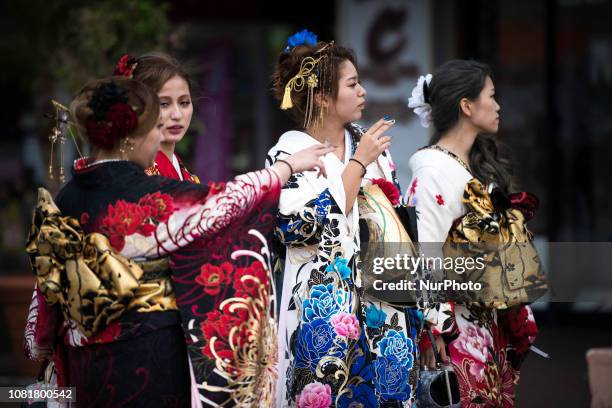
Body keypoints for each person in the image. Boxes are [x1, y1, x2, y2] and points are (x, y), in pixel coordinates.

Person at [24, 76, 333, 407]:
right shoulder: (148, 200)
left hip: (84, 359)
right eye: (155, 127)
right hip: (146, 354)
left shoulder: (66, 196)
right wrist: (286, 167)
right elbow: (227, 202)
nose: (159, 137)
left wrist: (41, 341)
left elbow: (48, 290)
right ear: (131, 138)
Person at [266, 30, 421, 407]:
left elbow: (397, 228)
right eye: (352, 84)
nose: (363, 91)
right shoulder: (289, 153)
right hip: (324, 311)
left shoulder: (371, 148)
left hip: (386, 309)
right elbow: (301, 227)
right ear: (322, 96)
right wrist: (357, 164)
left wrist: (423, 312)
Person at [405, 59, 538, 407]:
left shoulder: (470, 168)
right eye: (491, 96)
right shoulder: (433, 171)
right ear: (466, 105)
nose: (497, 105)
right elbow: (424, 256)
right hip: (455, 333)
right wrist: (432, 332)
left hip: (485, 324)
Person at [114, 52, 198, 182]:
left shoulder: (179, 167)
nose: (177, 115)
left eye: (184, 103)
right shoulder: (134, 172)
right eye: (164, 104)